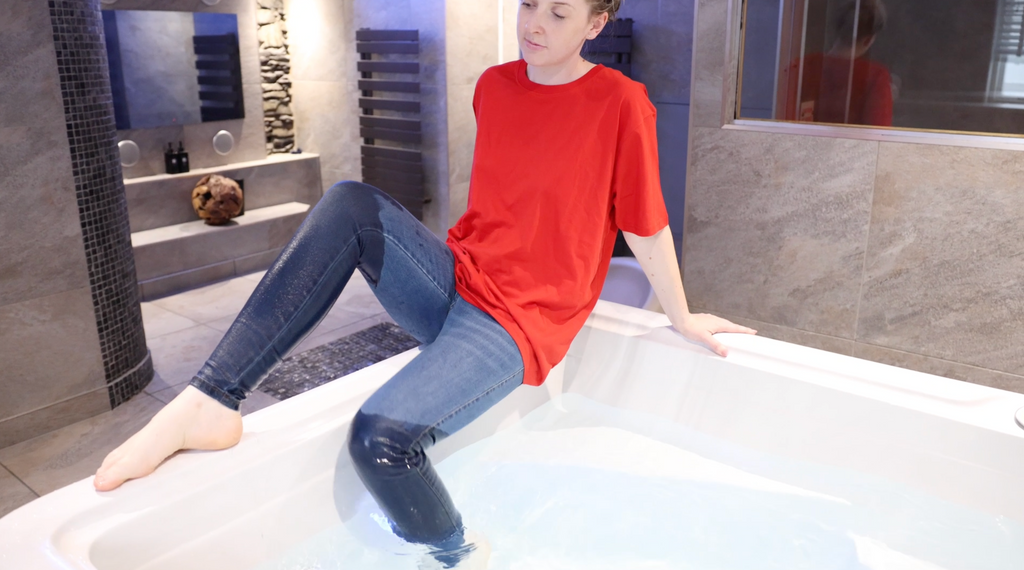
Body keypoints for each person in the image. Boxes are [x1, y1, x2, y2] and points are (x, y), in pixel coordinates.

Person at [94, 0, 755, 567]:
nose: (536, 23)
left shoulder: (620, 102)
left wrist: (684, 315)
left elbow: (644, 222)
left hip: (518, 324)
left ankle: (455, 553)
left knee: (379, 443)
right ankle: (213, 398)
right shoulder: (494, 86)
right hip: (458, 281)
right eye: (529, 4)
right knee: (351, 202)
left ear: (595, 23)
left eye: (560, 12)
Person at [781, 0, 893, 126]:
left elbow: (785, 119)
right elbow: (879, 132)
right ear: (868, 40)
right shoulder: (876, 77)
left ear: (837, 29)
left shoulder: (801, 67)